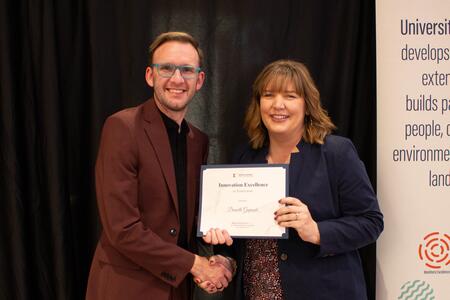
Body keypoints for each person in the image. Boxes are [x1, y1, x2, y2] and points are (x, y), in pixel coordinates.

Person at [200, 59, 384, 299]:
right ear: (259, 104)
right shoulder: (245, 155)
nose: (278, 105)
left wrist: (316, 230)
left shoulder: (336, 153)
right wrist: (225, 256)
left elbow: (371, 222)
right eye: (268, 95)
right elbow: (239, 238)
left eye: (290, 96)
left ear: (307, 105)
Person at [86, 32, 232, 300]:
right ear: (150, 76)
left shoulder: (197, 140)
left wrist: (216, 258)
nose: (177, 79)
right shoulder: (122, 127)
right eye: (166, 68)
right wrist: (196, 265)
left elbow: (188, 220)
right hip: (126, 287)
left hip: (178, 288)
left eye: (187, 70)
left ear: (199, 80)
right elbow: (122, 229)